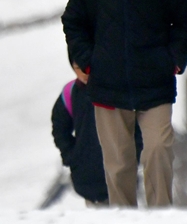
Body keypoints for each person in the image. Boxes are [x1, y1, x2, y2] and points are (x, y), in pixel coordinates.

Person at [61, 0, 187, 208]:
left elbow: (186, 23)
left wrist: (175, 59)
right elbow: (74, 21)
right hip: (106, 86)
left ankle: (161, 218)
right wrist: (82, 58)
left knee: (158, 149)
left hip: (155, 85)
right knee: (118, 164)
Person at [52, 76, 143, 207]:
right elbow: (59, 127)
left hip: (120, 180)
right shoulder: (72, 91)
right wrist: (72, 157)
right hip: (90, 180)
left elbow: (140, 128)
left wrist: (133, 158)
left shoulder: (126, 87)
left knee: (121, 223)